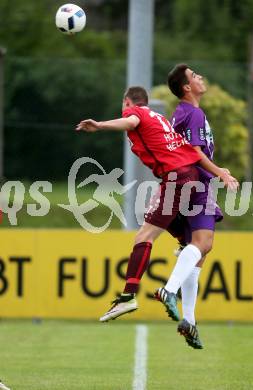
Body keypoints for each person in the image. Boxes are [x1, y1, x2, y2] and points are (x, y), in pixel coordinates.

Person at [76, 86, 238, 325]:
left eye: (124, 106)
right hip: (189, 176)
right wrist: (217, 172)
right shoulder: (159, 118)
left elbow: (130, 122)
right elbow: (185, 150)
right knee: (189, 238)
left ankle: (128, 296)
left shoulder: (138, 113)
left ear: (127, 102)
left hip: (177, 178)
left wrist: (99, 125)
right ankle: (186, 250)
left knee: (144, 236)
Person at [157, 64, 228, 349]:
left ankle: (190, 321)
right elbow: (196, 153)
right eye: (194, 75)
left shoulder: (180, 113)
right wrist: (220, 172)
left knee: (196, 252)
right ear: (187, 87)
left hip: (179, 185)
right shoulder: (194, 112)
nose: (200, 77)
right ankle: (168, 290)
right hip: (197, 184)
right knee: (204, 243)